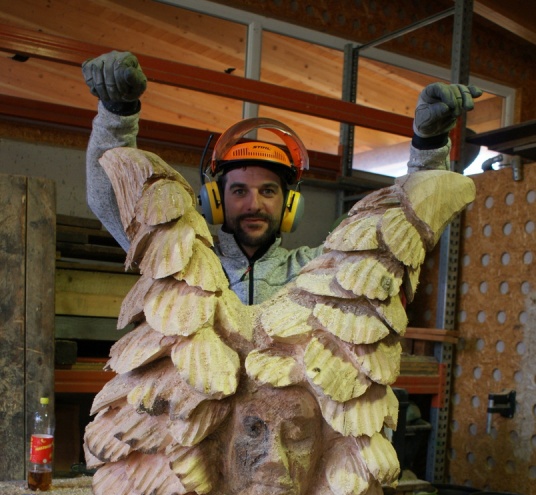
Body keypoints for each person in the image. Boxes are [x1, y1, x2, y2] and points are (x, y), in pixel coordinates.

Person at [82, 51, 481, 305]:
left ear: (290, 203)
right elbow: (109, 197)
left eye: (269, 191)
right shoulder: (178, 261)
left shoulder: (318, 269)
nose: (254, 204)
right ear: (214, 200)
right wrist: (116, 114)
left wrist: (428, 145)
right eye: (239, 190)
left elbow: (405, 228)